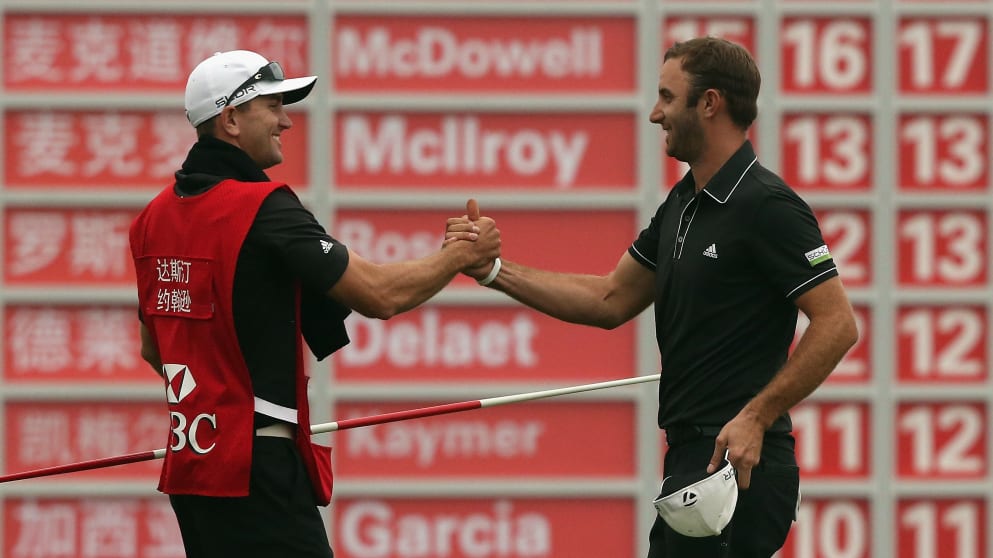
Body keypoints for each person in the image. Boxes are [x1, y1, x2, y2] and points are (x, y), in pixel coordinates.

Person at [447, 37, 858, 557]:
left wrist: (757, 416)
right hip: (693, 461)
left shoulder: (767, 205)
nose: (653, 113)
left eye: (667, 96)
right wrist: (491, 271)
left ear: (709, 103)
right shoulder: (682, 202)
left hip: (738, 464)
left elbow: (838, 323)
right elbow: (609, 298)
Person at [130, 50, 499, 558]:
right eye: (273, 105)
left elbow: (155, 348)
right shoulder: (262, 206)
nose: (286, 120)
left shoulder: (152, 218)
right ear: (231, 119)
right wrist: (460, 255)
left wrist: (216, 402)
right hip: (257, 468)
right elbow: (380, 295)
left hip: (193, 465)